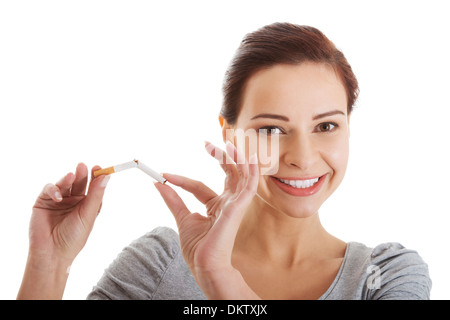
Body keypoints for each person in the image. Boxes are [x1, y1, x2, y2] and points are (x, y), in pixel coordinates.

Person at [17, 22, 431, 300]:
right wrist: (47, 265)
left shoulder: (383, 276)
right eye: (271, 129)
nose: (303, 158)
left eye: (326, 126)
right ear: (230, 135)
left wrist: (221, 279)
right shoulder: (162, 262)